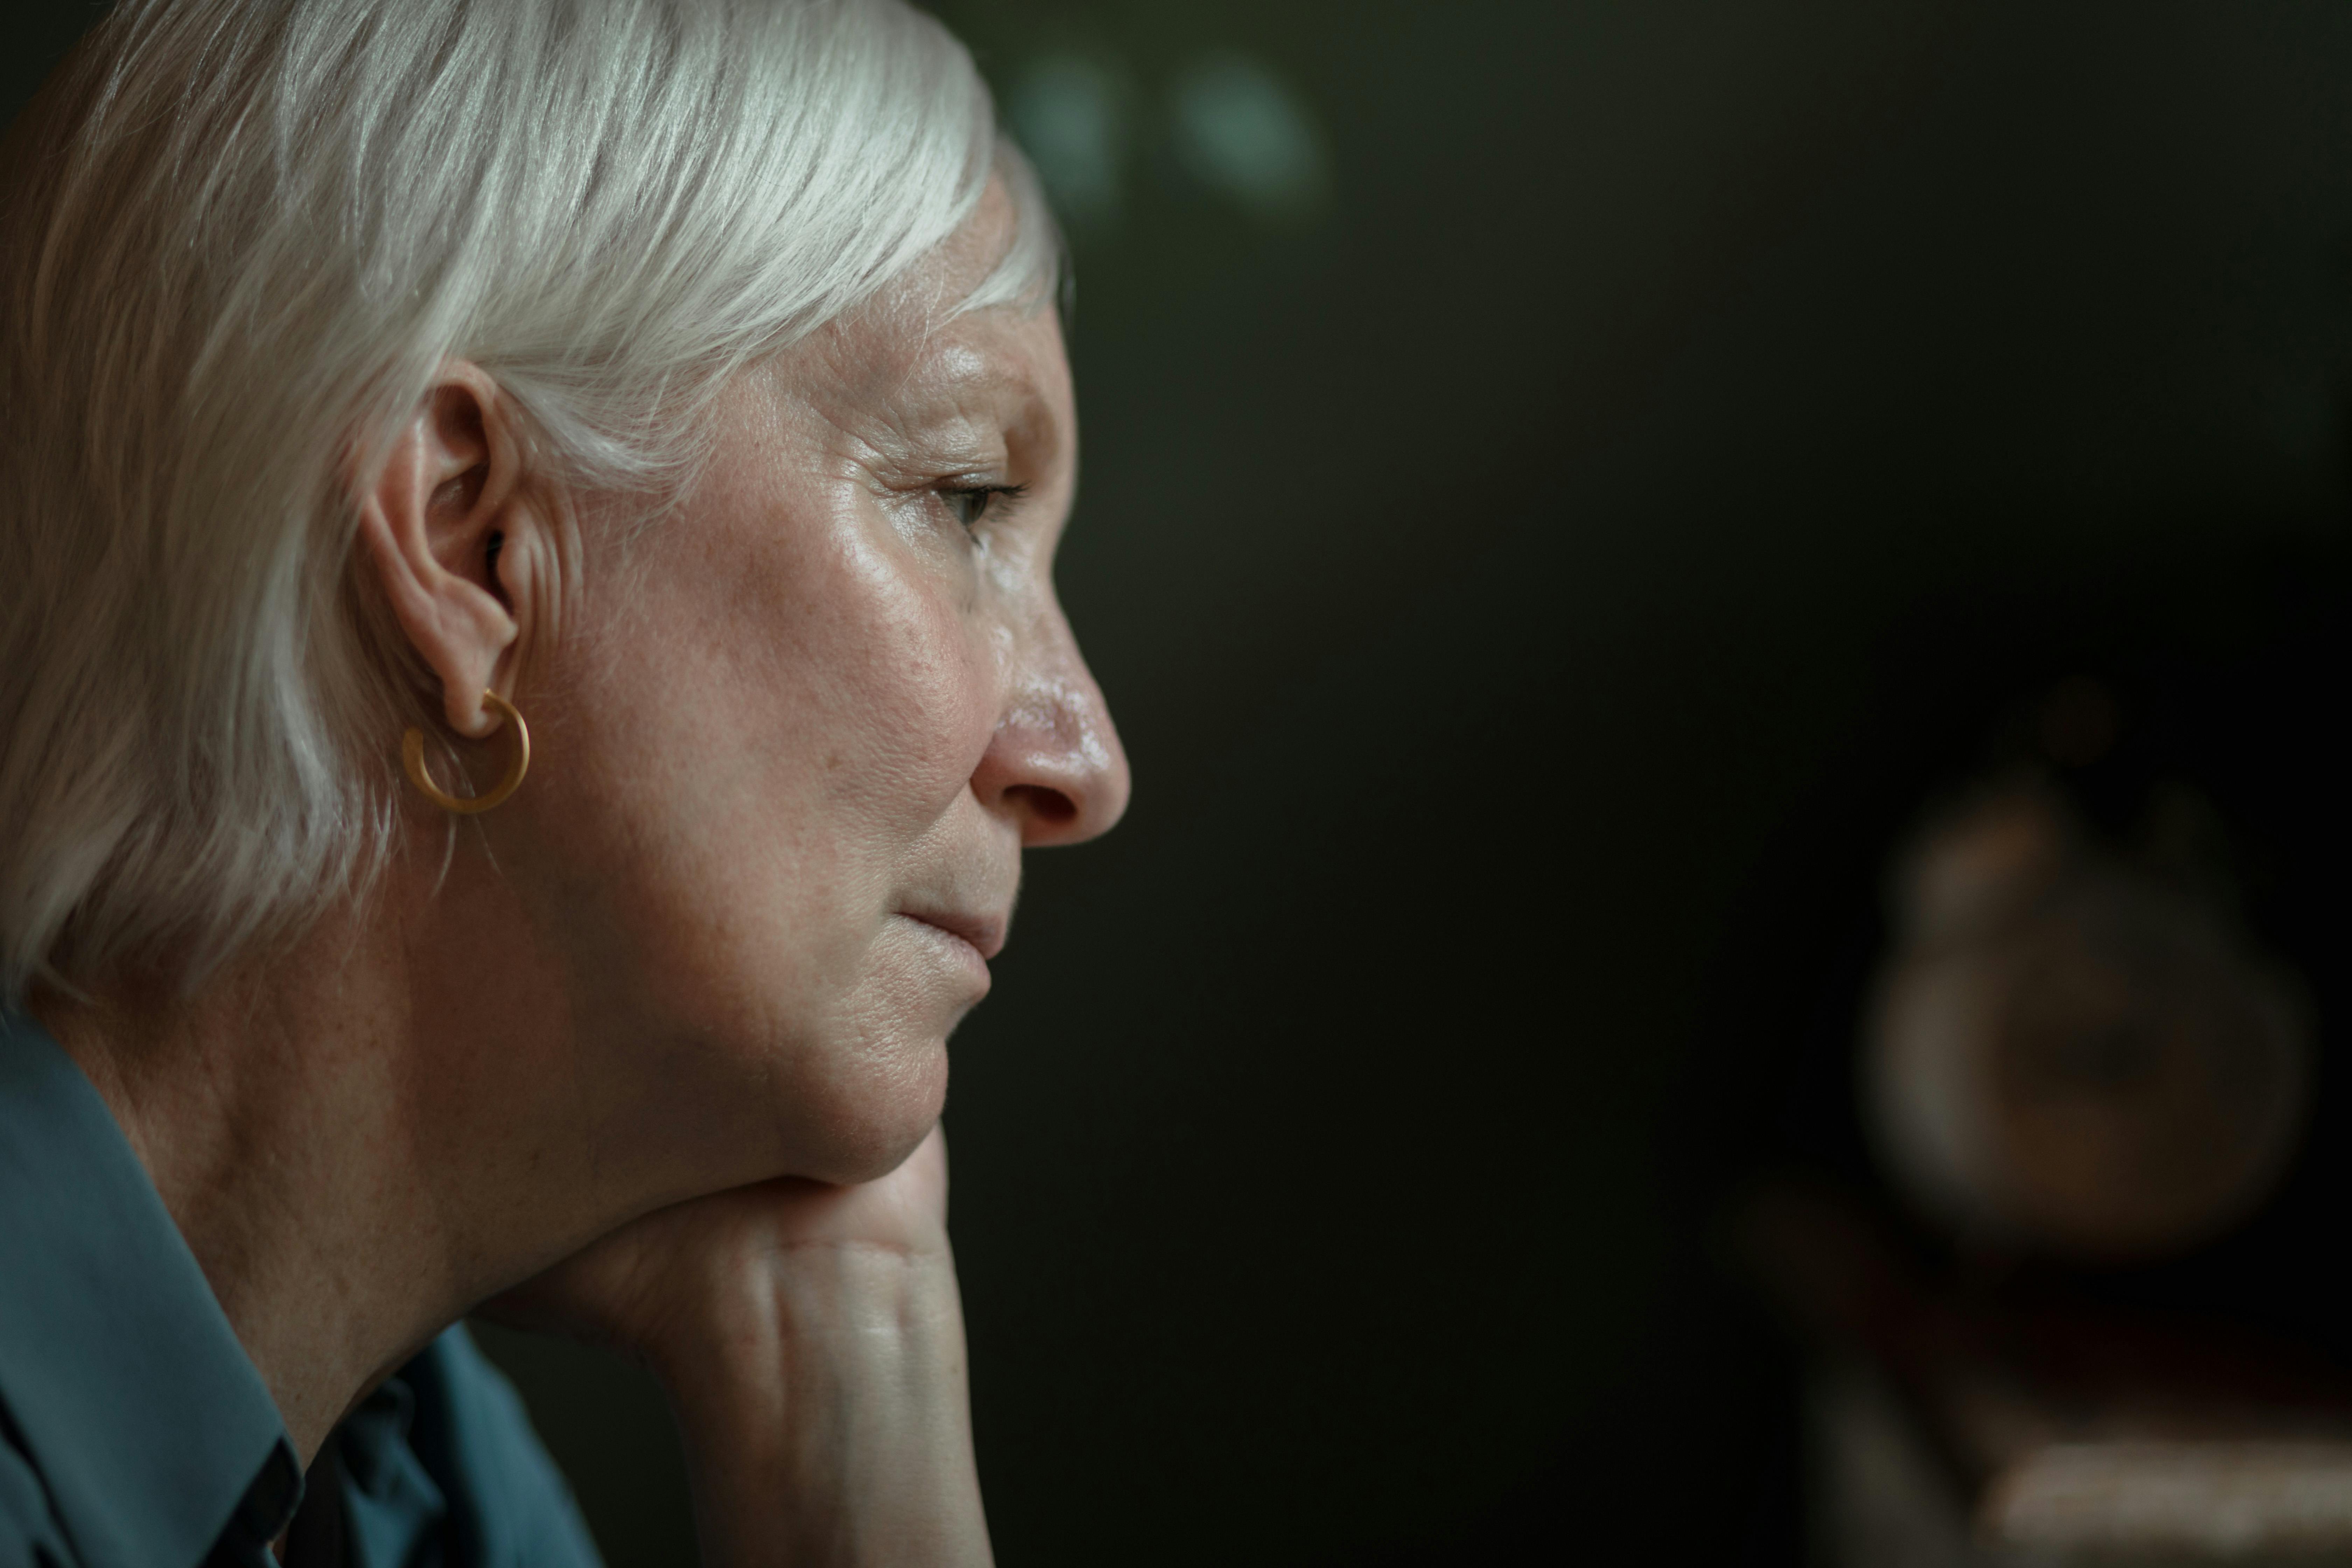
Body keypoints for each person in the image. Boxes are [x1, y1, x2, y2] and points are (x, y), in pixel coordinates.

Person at [0, 0, 1130, 1561]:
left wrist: (847, 1386)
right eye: (962, 495)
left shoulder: (427, 1494)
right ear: (476, 540)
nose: (1086, 759)